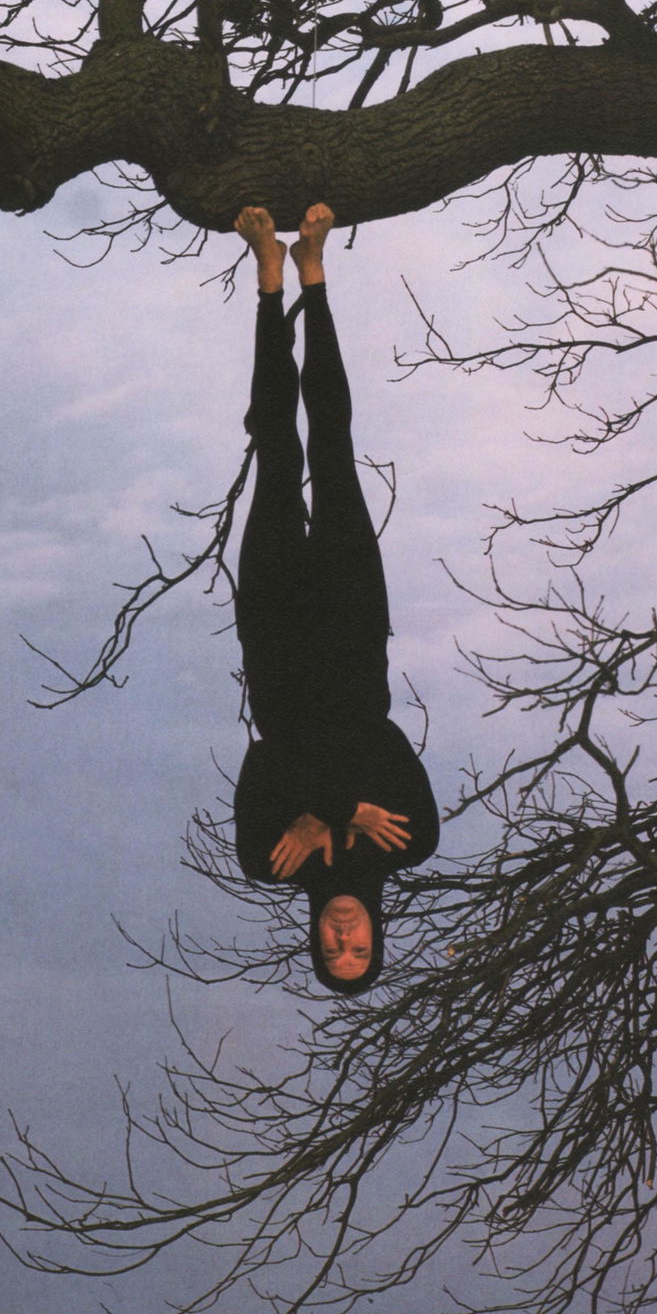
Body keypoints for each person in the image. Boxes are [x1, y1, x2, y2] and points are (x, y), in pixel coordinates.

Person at [231, 203, 439, 994]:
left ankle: (269, 280)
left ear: (314, 941)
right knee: (336, 448)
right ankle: (315, 273)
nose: (345, 940)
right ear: (374, 938)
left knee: (277, 454)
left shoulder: (266, 862)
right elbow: (382, 746)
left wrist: (336, 811)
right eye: (359, 952)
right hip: (353, 635)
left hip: (277, 643)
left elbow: (265, 761)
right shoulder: (409, 846)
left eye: (333, 952)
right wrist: (332, 808)